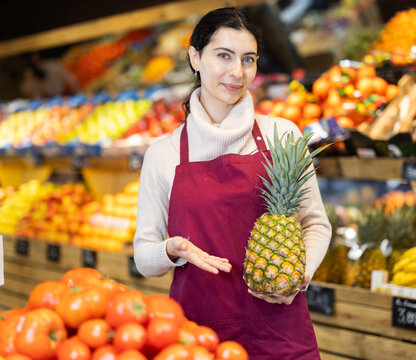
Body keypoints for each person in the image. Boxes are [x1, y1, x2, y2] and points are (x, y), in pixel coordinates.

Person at [134, 7, 331, 359]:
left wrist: (299, 276)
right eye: (223, 56)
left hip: (281, 329)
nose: (237, 72)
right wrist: (171, 249)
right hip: (198, 336)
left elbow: (315, 223)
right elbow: (144, 256)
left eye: (248, 59)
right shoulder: (162, 154)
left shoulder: (280, 134)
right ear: (195, 57)